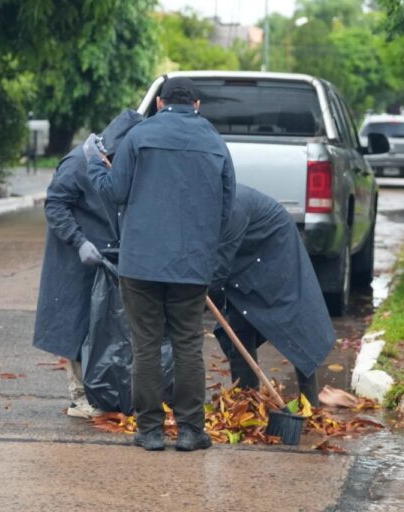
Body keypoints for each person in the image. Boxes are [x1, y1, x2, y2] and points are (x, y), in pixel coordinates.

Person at [83, 77, 235, 451]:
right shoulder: (215, 143)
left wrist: (95, 165)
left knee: (146, 345)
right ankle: (189, 431)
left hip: (140, 264)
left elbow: (114, 192)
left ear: (161, 104)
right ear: (197, 105)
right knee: (187, 345)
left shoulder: (139, 136)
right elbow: (227, 208)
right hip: (192, 265)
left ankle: (149, 431)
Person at [33, 109, 143, 418]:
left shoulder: (124, 162)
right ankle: (79, 396)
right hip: (76, 257)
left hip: (108, 256)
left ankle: (107, 391)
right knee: (77, 325)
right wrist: (80, 242)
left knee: (104, 329)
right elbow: (55, 204)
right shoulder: (79, 162)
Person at [210, 184, 336, 404]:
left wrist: (204, 296)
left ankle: (310, 402)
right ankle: (246, 400)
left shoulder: (233, 210)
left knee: (294, 319)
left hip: (275, 243)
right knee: (239, 322)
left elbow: (218, 268)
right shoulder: (208, 207)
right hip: (246, 249)